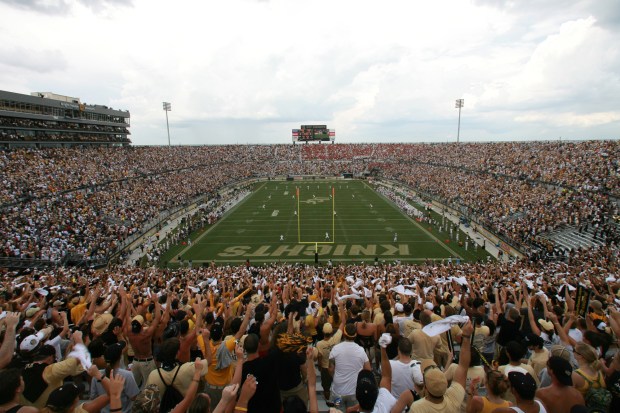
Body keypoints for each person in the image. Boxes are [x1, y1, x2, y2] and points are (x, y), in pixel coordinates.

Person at [390, 320, 473, 413]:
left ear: (426, 388)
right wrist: (466, 337)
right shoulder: (454, 398)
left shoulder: (417, 408)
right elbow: (463, 367)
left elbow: (463, 367)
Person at [329, 323, 371, 410]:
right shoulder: (361, 350)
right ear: (355, 335)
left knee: (338, 410)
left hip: (338, 391)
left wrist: (335, 377)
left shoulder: (336, 348)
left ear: (344, 334)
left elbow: (330, 368)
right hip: (354, 392)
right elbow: (368, 370)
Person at [89, 341, 139, 413]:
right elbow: (134, 397)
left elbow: (93, 398)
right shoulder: (127, 375)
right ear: (120, 357)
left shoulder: (97, 375)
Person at [125, 293, 161, 389]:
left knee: (133, 386)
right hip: (147, 362)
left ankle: (131, 402)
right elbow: (157, 318)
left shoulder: (129, 331)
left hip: (135, 361)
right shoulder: (146, 334)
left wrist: (129, 303)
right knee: (150, 387)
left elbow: (127, 316)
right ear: (142, 325)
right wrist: (156, 302)